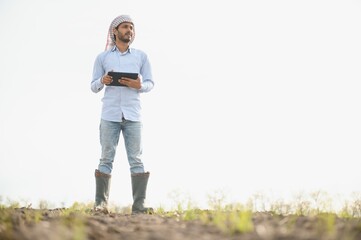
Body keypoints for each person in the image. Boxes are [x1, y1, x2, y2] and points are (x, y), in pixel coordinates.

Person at [91, 15, 154, 214]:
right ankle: (101, 205)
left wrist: (140, 85)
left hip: (133, 115)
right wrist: (103, 80)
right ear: (115, 31)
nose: (130, 31)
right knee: (106, 159)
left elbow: (151, 83)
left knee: (136, 159)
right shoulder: (103, 58)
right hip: (109, 115)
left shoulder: (141, 56)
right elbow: (93, 87)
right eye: (125, 27)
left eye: (132, 28)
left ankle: (139, 206)